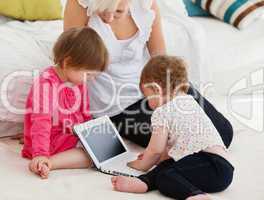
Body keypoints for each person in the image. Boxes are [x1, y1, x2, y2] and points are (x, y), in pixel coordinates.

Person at [64, 0, 233, 149]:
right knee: (187, 141)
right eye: (105, 13)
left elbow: (160, 58)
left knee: (223, 132)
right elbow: (72, 64)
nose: (109, 18)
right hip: (117, 105)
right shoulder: (80, 4)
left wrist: (170, 94)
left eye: (118, 11)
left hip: (153, 88)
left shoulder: (146, 4)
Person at [111, 56, 234, 200]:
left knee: (166, 175)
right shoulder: (190, 102)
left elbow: (155, 151)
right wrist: (158, 159)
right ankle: (144, 183)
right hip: (221, 168)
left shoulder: (161, 112)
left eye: (148, 96)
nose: (148, 103)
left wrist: (139, 165)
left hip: (209, 165)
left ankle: (196, 195)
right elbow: (173, 151)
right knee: (167, 165)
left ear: (156, 89)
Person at [22, 27, 109, 179]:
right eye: (89, 74)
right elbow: (41, 122)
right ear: (68, 62)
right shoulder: (46, 84)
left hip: (69, 135)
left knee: (105, 144)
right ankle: (48, 162)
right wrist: (40, 154)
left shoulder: (79, 83)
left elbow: (85, 114)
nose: (91, 79)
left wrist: (89, 135)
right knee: (90, 156)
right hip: (49, 142)